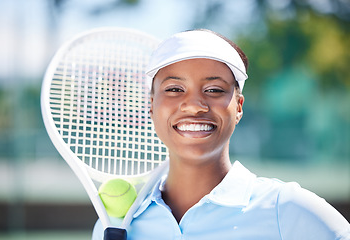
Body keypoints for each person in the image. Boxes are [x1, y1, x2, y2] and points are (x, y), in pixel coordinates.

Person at [92, 29, 350, 239]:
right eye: (174, 89)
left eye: (214, 90)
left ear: (238, 107)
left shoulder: (288, 208)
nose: (194, 105)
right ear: (151, 106)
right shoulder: (117, 224)